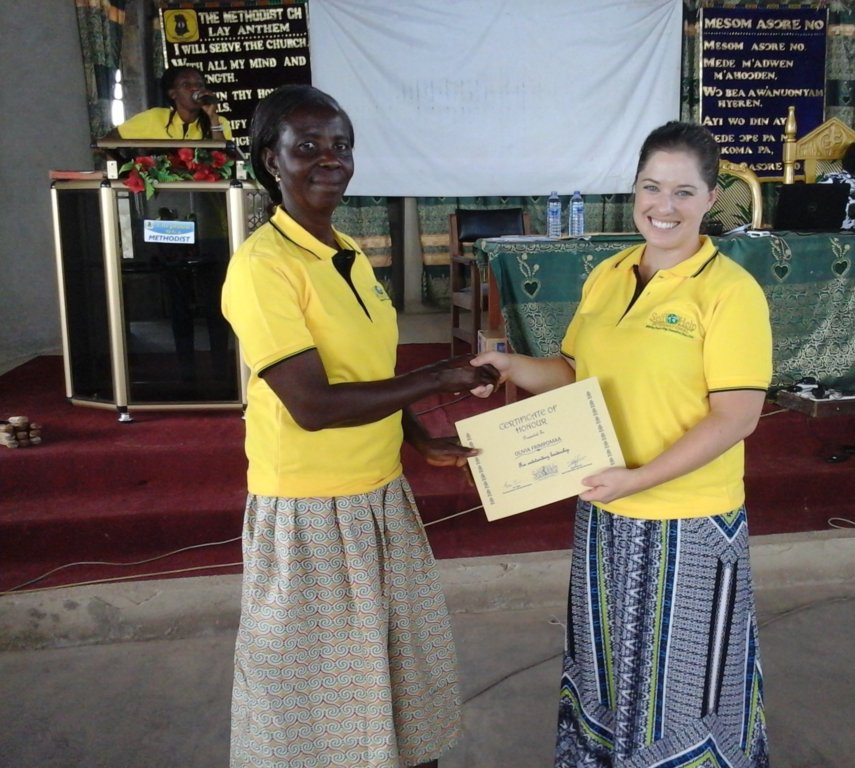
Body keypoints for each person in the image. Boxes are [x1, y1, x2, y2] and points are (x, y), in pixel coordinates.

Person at [471, 122, 771, 767]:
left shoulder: (730, 292)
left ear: (710, 198)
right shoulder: (607, 274)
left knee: (683, 697)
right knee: (609, 680)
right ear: (633, 190)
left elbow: (737, 417)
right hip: (606, 514)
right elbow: (574, 372)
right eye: (651, 187)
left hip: (689, 522)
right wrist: (512, 366)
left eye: (684, 192)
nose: (664, 206)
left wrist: (639, 478)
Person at [221, 84, 497, 767]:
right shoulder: (263, 267)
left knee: (402, 684)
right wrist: (437, 379)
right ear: (271, 161)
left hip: (379, 497)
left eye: (341, 145)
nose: (330, 159)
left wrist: (418, 436)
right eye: (308, 146)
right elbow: (313, 405)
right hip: (312, 512)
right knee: (321, 713)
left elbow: (365, 372)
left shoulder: (344, 251)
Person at [110, 65, 231, 140]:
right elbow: (108, 142)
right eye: (186, 85)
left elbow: (226, 161)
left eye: (199, 85)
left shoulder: (220, 122)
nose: (195, 88)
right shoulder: (154, 117)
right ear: (173, 94)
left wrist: (213, 118)